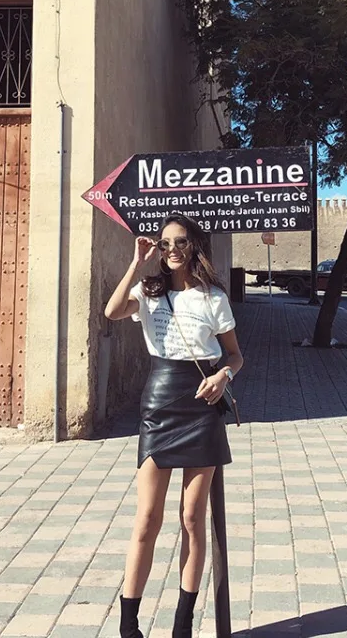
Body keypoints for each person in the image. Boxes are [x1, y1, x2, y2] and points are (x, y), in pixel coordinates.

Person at [104, 212, 244, 638]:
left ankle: (182, 626)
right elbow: (112, 311)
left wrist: (223, 376)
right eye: (165, 243)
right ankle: (129, 626)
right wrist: (136, 262)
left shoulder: (213, 297)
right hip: (161, 403)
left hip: (202, 405)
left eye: (180, 242)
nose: (172, 250)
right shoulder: (148, 292)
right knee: (147, 517)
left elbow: (234, 355)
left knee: (192, 518)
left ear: (194, 245)